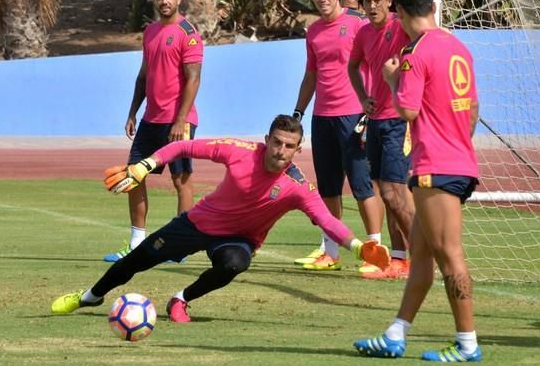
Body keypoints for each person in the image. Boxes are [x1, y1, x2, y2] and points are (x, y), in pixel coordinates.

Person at [51, 115, 391, 322]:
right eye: (276, 142)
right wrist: (144, 166)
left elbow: (327, 220)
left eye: (289, 146)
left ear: (297, 149)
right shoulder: (239, 151)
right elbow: (183, 147)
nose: (281, 150)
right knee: (137, 261)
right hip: (197, 223)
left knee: (234, 264)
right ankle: (90, 296)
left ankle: (181, 300)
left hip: (238, 240)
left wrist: (360, 248)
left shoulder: (297, 187)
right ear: (266, 139)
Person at [353, 0, 482, 362]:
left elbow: (406, 108)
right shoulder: (458, 46)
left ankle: (467, 343)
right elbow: (473, 109)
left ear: (401, 11)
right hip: (454, 159)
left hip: (436, 167)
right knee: (421, 257)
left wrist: (392, 79)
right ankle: (396, 333)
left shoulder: (415, 53)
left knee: (450, 255)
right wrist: (456, 140)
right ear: (433, 7)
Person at [103, 0, 203, 263]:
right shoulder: (150, 32)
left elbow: (194, 79)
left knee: (181, 180)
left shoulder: (188, 33)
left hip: (179, 120)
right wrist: (133, 111)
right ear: (155, 0)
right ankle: (136, 243)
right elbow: (144, 75)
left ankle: (180, 247)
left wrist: (180, 120)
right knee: (133, 176)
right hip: (150, 119)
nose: (164, 2)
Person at [292, 0, 383, 272]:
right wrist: (299, 111)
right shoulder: (313, 31)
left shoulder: (358, 23)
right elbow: (311, 75)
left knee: (362, 184)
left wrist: (374, 105)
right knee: (328, 188)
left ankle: (375, 249)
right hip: (322, 117)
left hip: (354, 116)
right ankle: (330, 250)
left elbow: (376, 63)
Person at [348, 0, 414, 280]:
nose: (372, 6)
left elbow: (423, 46)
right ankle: (398, 259)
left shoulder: (400, 27)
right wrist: (363, 98)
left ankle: (421, 257)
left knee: (396, 194)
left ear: (390, 1)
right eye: (367, 2)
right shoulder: (363, 34)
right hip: (375, 121)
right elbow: (352, 67)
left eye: (378, 0)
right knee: (387, 194)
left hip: (399, 121)